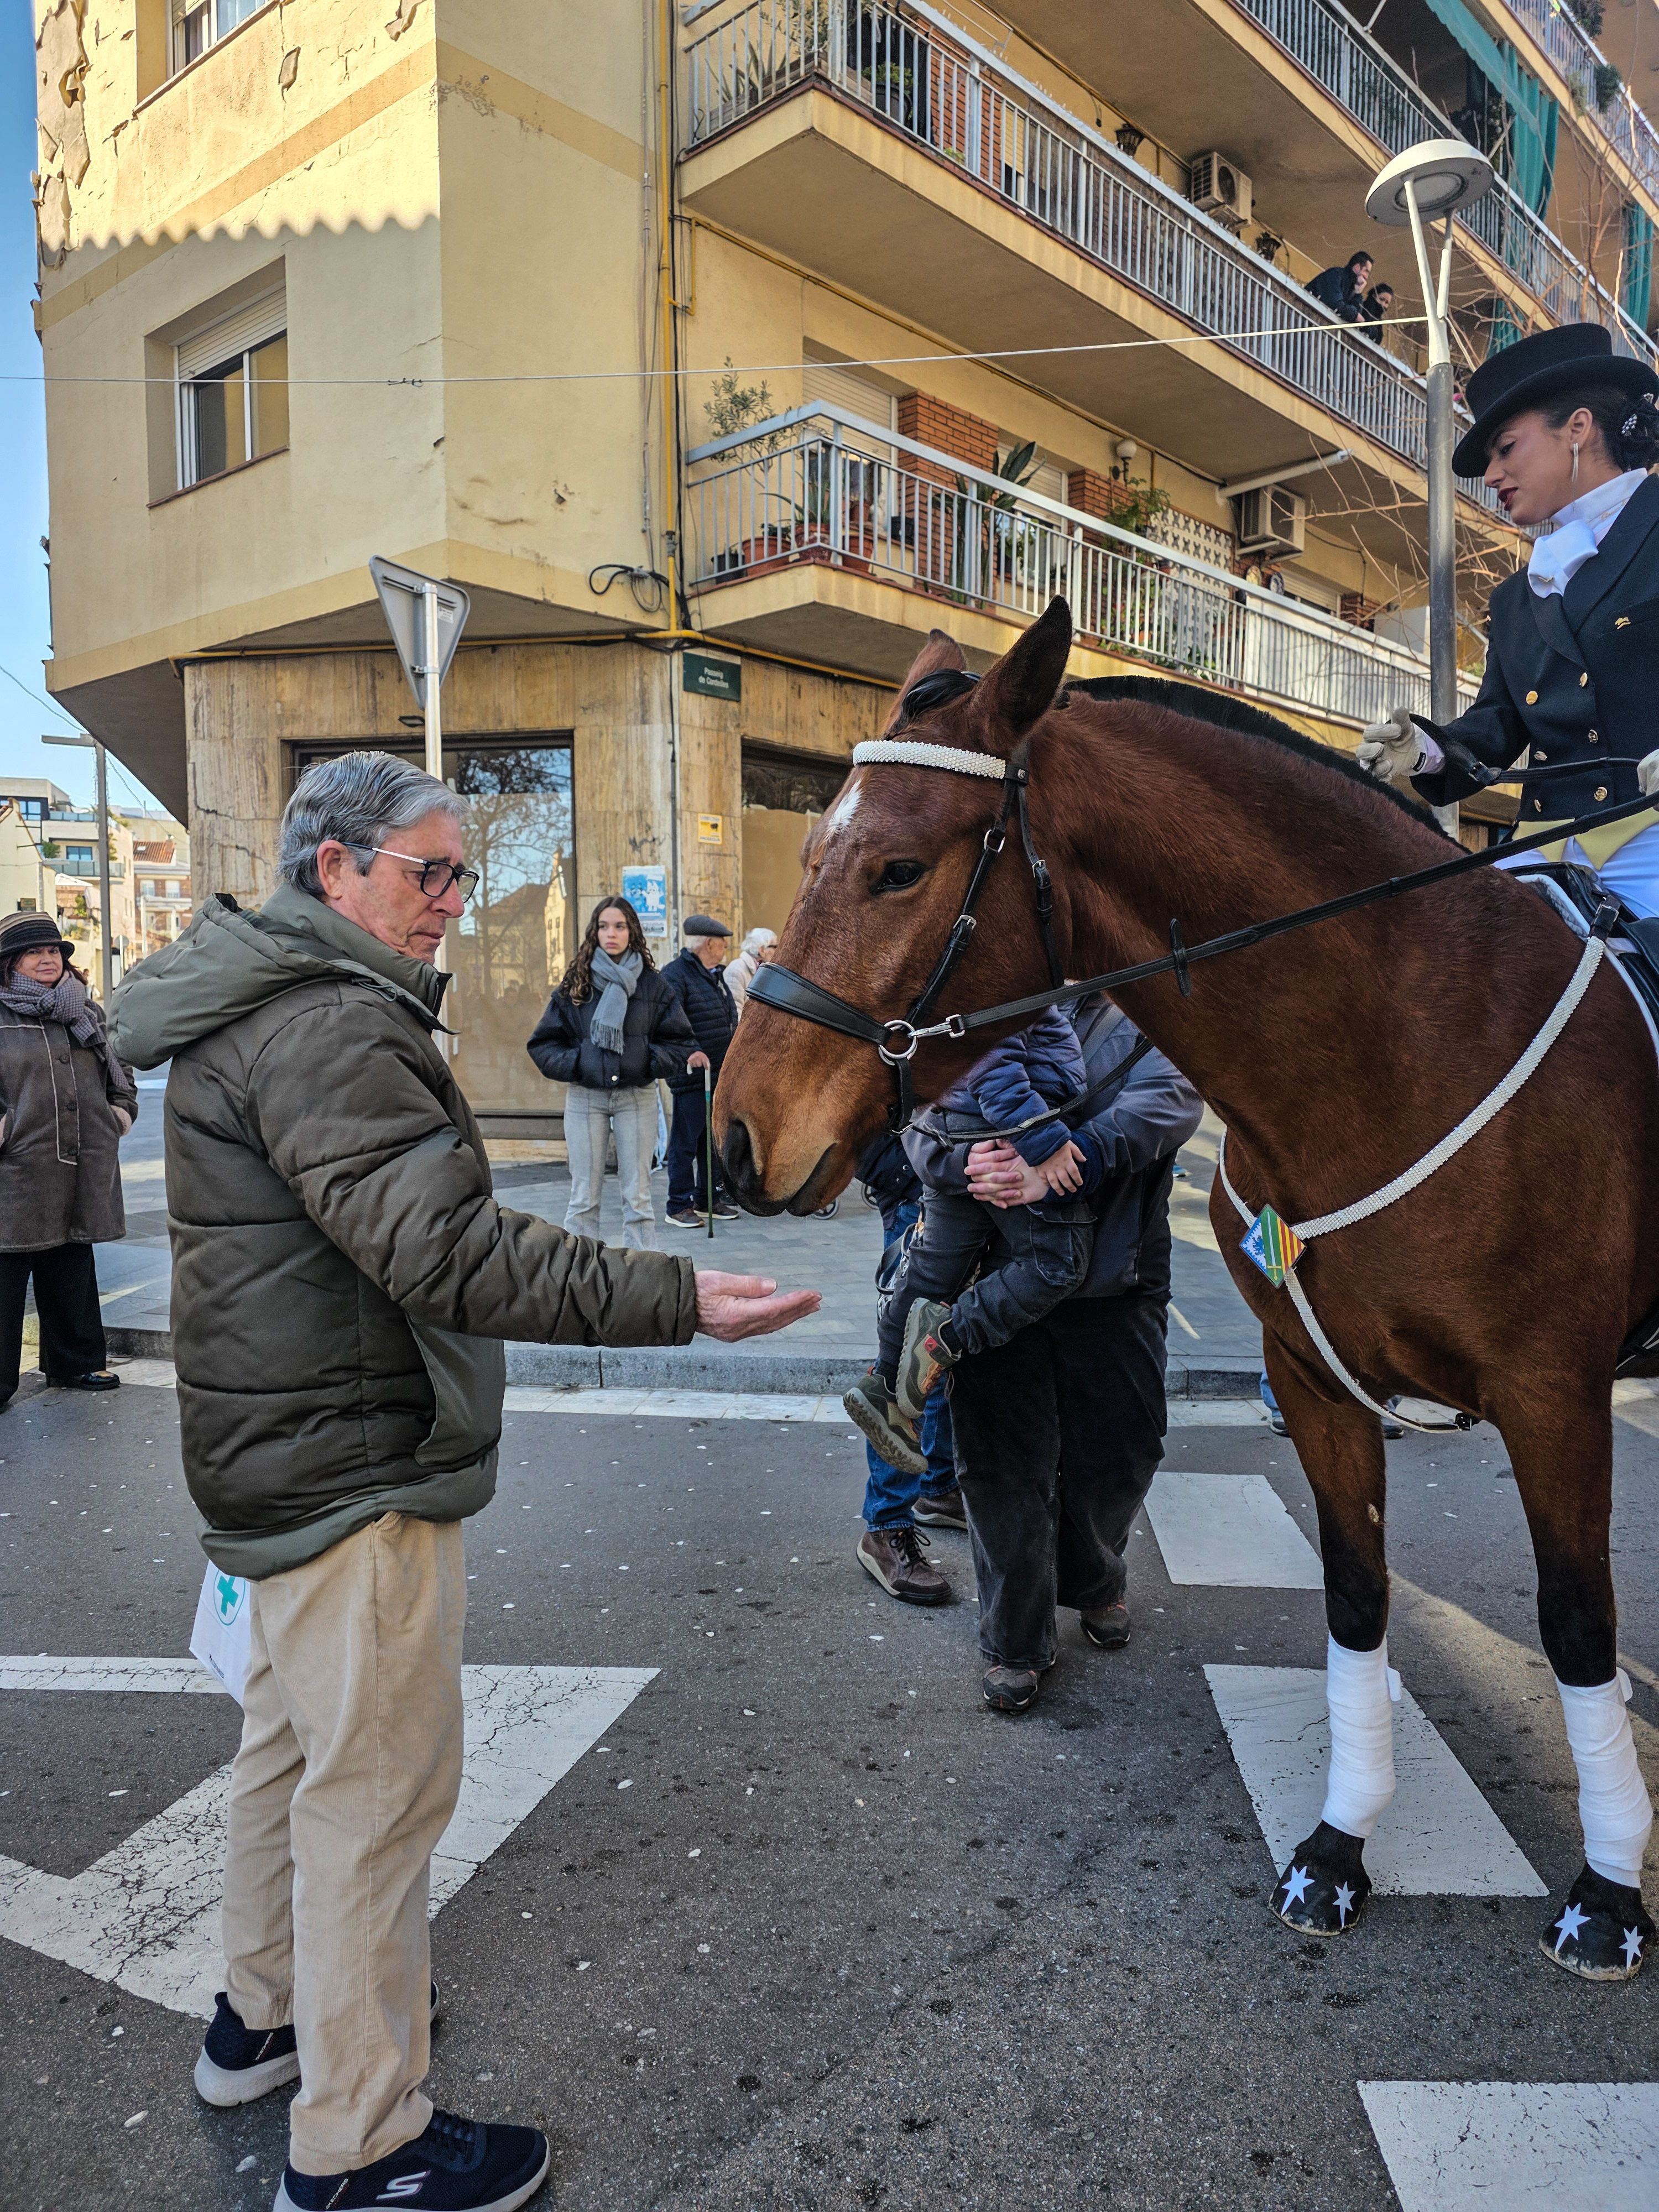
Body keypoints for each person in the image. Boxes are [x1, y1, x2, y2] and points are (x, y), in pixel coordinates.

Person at [108, 752, 817, 2212]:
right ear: (335, 869)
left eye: (460, 872)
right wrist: (674, 1299)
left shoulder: (261, 996)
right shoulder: (329, 1021)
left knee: (292, 1755)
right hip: (355, 1457)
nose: (452, 900)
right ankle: (358, 2139)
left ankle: (265, 2019)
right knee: (376, 1797)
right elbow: (451, 1251)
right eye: (428, 871)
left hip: (283, 1445)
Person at [928, 995, 1201, 1714]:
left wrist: (1064, 1161)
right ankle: (1015, 1640)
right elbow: (914, 1122)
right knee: (1000, 1468)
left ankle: (1094, 1576)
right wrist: (961, 1160)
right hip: (998, 1277)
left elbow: (1169, 1103)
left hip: (1117, 1279)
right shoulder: (973, 1003)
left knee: (1123, 1452)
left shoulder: (1144, 1014)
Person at [1356, 324, 1659, 916]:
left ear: (1578, 428)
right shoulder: (1516, 597)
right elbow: (1497, 725)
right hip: (1543, 843)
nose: (1490, 475)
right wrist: (1427, 750)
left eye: (1506, 448)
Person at [843, 1008, 1093, 1478]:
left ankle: (884, 1384)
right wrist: (1043, 1141)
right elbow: (991, 1057)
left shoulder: (963, 987)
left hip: (961, 1128)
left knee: (932, 1269)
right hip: (1007, 1136)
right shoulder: (1012, 980)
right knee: (1057, 1263)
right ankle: (946, 1336)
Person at [0, 910, 135, 1408]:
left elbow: (120, 1072)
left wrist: (120, 1112)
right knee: (6, 1276)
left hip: (80, 1163)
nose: (47, 959)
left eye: (53, 950)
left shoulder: (85, 1011)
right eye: (33, 952)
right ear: (10, 963)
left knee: (72, 1261)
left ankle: (75, 1363)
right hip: (14, 1169)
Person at [525, 895, 692, 1251]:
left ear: (632, 931)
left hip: (637, 1097)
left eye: (619, 926)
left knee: (639, 1199)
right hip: (586, 1098)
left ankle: (643, 1274)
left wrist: (646, 1061)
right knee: (583, 1198)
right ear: (595, 932)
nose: (611, 934)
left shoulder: (654, 986)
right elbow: (543, 1045)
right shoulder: (577, 984)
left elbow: (680, 1043)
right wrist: (580, 1063)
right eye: (604, 927)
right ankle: (581, 1276)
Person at [847, 1125, 966, 1608]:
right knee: (909, 1357)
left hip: (969, 1192)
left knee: (948, 1348)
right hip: (920, 1194)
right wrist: (903, 1174)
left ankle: (939, 1487)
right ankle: (887, 1526)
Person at [661, 914, 740, 1227]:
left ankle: (707, 1199)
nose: (725, 949)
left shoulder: (714, 975)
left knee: (711, 1142)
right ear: (708, 944)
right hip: (692, 1074)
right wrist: (691, 1051)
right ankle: (678, 1205)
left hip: (718, 1073)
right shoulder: (675, 976)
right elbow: (671, 1022)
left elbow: (728, 1015)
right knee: (686, 1142)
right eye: (722, 944)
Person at [1306, 252, 1372, 322]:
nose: (1367, 277)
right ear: (1357, 268)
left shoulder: (1352, 288)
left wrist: (1358, 293)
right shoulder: (1335, 275)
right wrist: (1355, 315)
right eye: (1366, 271)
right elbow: (1336, 304)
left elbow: (1355, 322)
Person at [724, 925, 776, 1011]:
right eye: (775, 947)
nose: (777, 951)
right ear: (762, 950)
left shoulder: (763, 970)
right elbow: (734, 1010)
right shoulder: (736, 969)